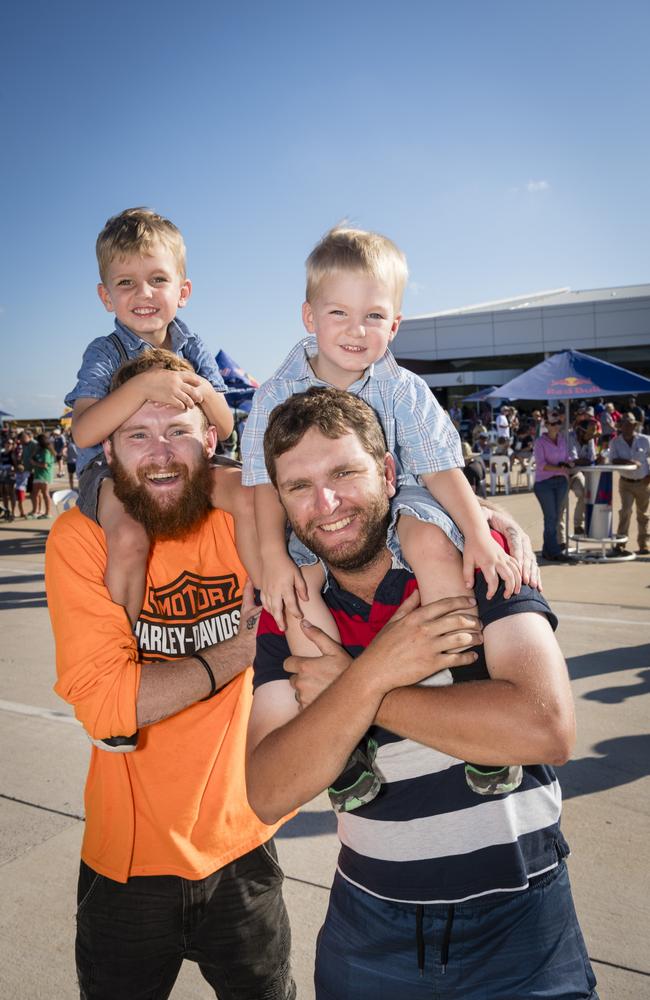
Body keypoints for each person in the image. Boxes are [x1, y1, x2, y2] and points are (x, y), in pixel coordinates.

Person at [246, 387, 598, 1000]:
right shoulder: (294, 608)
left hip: (524, 920)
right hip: (371, 926)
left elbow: (544, 728)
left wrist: (362, 690)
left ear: (387, 471)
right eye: (298, 486)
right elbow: (269, 790)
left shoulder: (474, 554)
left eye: (343, 472)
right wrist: (379, 669)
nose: (325, 503)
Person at [241, 224, 520, 810]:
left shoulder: (404, 388)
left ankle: (470, 679)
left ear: (394, 325)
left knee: (430, 544)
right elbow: (264, 485)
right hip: (314, 518)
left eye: (374, 316)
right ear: (308, 316)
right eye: (339, 312)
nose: (356, 330)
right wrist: (269, 559)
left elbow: (444, 469)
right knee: (295, 595)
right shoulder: (273, 395)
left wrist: (479, 534)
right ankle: (338, 739)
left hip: (406, 497)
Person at [46, 350, 296, 1000]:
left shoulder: (246, 520)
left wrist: (480, 520)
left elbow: (355, 505)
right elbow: (106, 707)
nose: (159, 454)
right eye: (138, 435)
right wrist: (235, 657)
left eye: (177, 431)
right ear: (109, 450)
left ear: (211, 438)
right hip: (126, 861)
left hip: (243, 843)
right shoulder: (83, 541)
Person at [65, 207, 236, 627]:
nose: (144, 293)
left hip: (188, 459)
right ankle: (123, 638)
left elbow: (226, 425)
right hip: (110, 471)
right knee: (128, 535)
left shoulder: (193, 347)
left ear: (183, 290)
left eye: (158, 279)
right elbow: (84, 432)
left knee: (256, 495)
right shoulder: (104, 352)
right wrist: (143, 387)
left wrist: (206, 393)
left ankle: (266, 608)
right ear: (107, 297)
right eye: (126, 283)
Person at [533, 413, 576, 562]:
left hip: (561, 481)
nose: (557, 425)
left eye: (558, 422)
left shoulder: (563, 440)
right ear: (546, 425)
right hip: (544, 483)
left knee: (556, 518)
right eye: (553, 423)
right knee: (551, 518)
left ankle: (548, 550)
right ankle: (554, 551)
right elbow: (541, 465)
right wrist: (560, 467)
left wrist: (569, 462)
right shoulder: (540, 442)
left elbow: (566, 458)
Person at [609, 412, 650, 556]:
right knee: (625, 511)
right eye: (625, 424)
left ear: (635, 425)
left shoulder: (645, 440)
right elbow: (613, 459)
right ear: (621, 427)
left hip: (643, 481)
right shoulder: (615, 442)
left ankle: (643, 544)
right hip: (625, 482)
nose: (628, 427)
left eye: (631, 424)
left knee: (643, 515)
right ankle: (620, 544)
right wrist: (629, 462)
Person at [566, 415, 599, 535]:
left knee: (585, 494)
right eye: (588, 434)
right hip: (562, 474)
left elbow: (591, 459)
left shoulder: (589, 440)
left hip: (575, 473)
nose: (591, 437)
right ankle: (560, 539)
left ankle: (577, 525)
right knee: (561, 505)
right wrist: (583, 461)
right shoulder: (570, 437)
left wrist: (584, 461)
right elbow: (574, 459)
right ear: (580, 432)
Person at [30, 433, 55, 518]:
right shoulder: (39, 450)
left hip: (44, 475)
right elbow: (32, 457)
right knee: (35, 493)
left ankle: (48, 513)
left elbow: (44, 465)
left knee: (45, 493)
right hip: (37, 474)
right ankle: (35, 511)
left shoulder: (46, 451)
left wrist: (34, 463)